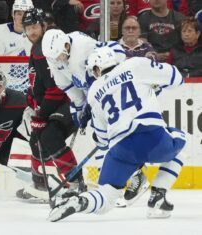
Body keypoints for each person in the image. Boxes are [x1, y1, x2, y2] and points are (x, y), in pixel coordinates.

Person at [48, 46, 187, 222]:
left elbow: (103, 140)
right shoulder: (135, 64)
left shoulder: (94, 92)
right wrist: (155, 84)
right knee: (180, 143)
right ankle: (158, 197)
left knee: (107, 197)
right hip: (152, 137)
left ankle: (81, 202)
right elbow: (176, 78)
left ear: (97, 69)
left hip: (120, 149)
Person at [41, 29, 150, 206]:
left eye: (60, 55)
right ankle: (122, 180)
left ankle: (136, 175)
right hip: (97, 98)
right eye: (54, 58)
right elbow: (71, 88)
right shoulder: (54, 56)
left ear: (67, 45)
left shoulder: (83, 47)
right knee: (103, 139)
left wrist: (89, 105)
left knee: (116, 136)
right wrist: (78, 110)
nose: (58, 60)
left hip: (114, 92)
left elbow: (118, 52)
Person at [16, 8, 84, 200]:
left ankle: (77, 182)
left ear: (44, 25)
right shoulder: (36, 48)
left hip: (72, 100)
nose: (31, 31)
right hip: (59, 101)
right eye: (28, 28)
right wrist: (32, 101)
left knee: (50, 137)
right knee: (37, 140)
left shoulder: (46, 48)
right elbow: (39, 83)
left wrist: (42, 114)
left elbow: (56, 88)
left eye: (35, 26)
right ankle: (40, 184)